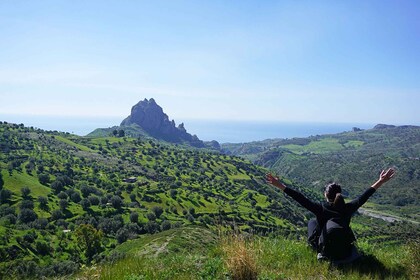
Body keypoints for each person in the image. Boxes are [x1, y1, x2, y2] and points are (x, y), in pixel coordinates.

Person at [266, 168, 395, 262]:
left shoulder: (320, 209)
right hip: (345, 251)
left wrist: (280, 186)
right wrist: (381, 181)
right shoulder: (348, 208)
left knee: (312, 222)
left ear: (326, 195)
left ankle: (314, 247)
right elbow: (365, 196)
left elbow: (300, 198)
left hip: (326, 251)